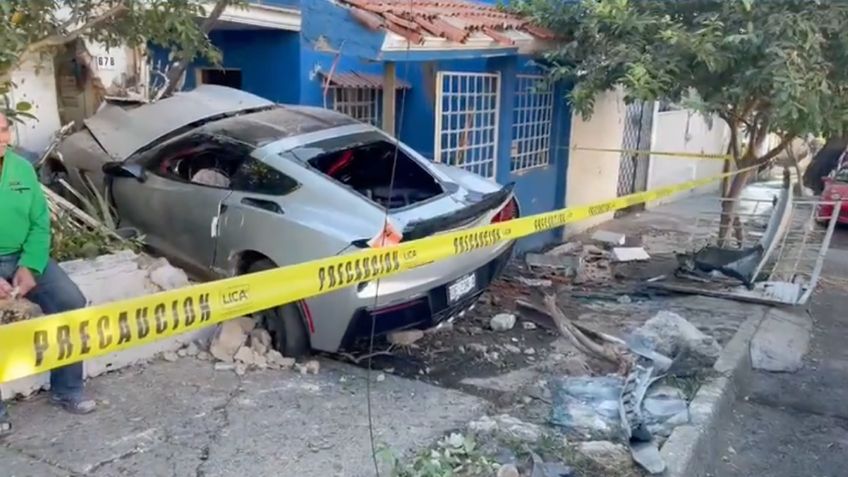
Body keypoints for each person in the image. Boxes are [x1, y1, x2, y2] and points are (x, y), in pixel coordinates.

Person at [0, 112, 96, 438]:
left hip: (24, 257)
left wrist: (30, 265)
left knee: (71, 300)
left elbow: (41, 224)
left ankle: (67, 389)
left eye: (5, 130)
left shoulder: (22, 168)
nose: (4, 138)